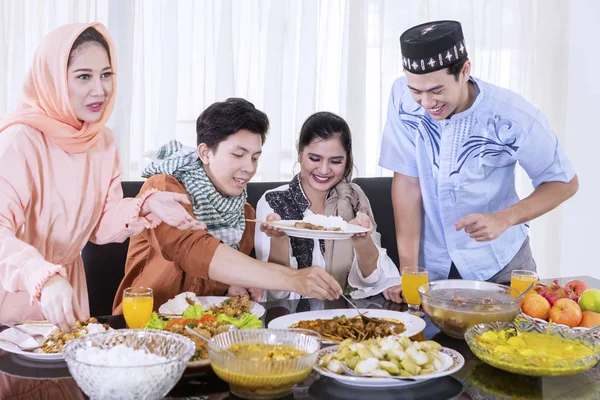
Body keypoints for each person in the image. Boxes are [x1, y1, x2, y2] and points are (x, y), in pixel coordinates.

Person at [0, 23, 206, 332]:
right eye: (84, 76)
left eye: (106, 75)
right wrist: (44, 277)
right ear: (54, 79)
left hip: (68, 293)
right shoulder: (19, 140)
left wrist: (147, 204)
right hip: (14, 288)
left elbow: (100, 223)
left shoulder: (102, 141)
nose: (100, 89)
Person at [379, 20, 578, 293]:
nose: (426, 103)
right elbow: (407, 182)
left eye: (437, 90)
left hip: (499, 264)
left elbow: (564, 182)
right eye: (416, 91)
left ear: (465, 71)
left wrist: (503, 219)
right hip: (433, 264)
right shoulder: (400, 98)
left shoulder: (511, 115)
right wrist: (409, 273)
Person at [113, 100, 342, 314]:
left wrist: (231, 287)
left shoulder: (245, 213)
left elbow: (215, 278)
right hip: (144, 327)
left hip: (210, 332)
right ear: (205, 153)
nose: (249, 168)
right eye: (238, 155)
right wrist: (293, 278)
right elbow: (191, 250)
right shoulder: (164, 190)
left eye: (254, 157)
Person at [255, 112, 401, 302]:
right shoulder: (273, 201)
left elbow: (373, 280)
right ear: (300, 154)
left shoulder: (354, 199)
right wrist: (279, 239)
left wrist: (361, 238)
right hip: (290, 317)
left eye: (336, 161)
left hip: (346, 315)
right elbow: (276, 293)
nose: (324, 170)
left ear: (347, 160)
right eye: (314, 159)